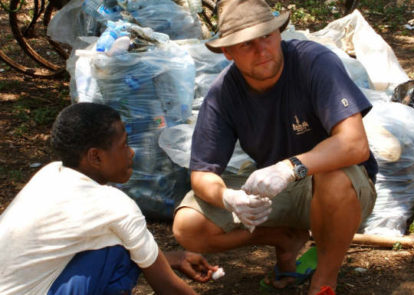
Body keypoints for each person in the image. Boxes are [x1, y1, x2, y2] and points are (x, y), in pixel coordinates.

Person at [172, 0, 378, 294]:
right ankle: (284, 237)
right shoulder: (223, 94)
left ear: (279, 33)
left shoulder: (313, 62)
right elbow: (201, 173)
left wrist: (289, 167)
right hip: (276, 191)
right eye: (246, 45)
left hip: (342, 188)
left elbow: (355, 144)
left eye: (267, 36)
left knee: (332, 176)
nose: (262, 50)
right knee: (187, 225)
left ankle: (324, 281)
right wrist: (229, 198)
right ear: (228, 52)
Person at [0, 102, 218, 295]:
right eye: (123, 145)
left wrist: (173, 258)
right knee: (117, 255)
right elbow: (167, 287)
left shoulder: (49, 174)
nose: (131, 152)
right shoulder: (114, 205)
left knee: (120, 245)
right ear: (95, 156)